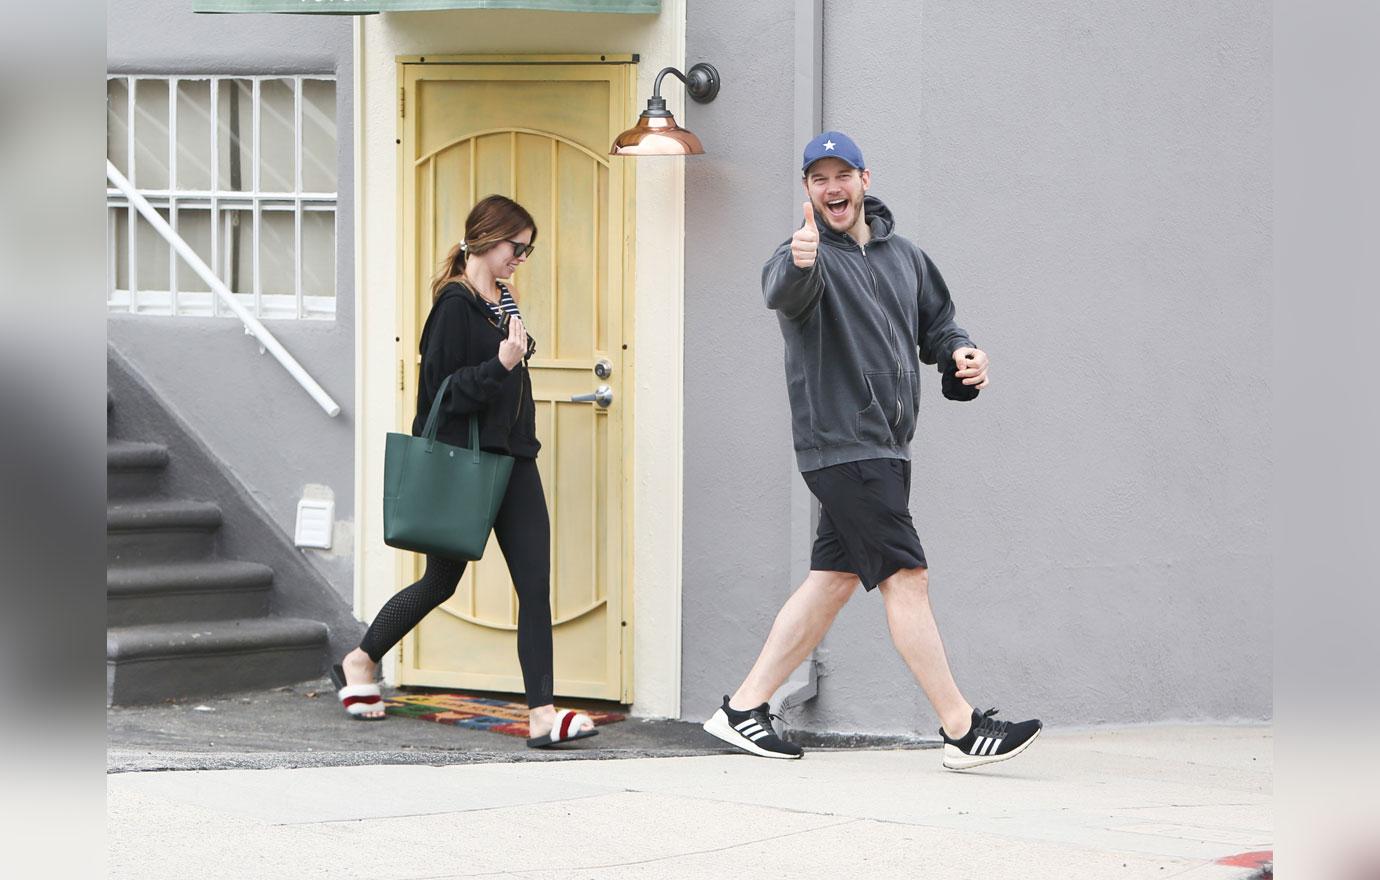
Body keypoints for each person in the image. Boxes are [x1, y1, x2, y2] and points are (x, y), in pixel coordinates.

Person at [701, 132, 1041, 769]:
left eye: (842, 175)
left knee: (833, 580)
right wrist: (800, 260)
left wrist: (961, 353)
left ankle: (744, 709)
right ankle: (961, 727)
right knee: (908, 577)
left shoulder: (904, 257)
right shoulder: (804, 257)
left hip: (887, 444)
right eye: (818, 179)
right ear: (806, 190)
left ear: (864, 178)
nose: (832, 189)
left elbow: (938, 326)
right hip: (843, 444)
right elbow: (782, 288)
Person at [332, 194, 596, 748]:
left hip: (515, 459)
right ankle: (361, 660)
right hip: (466, 464)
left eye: (528, 251)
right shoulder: (453, 306)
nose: (521, 258)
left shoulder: (501, 297)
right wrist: (499, 364)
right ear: (484, 239)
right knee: (439, 582)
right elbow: (439, 398)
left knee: (534, 585)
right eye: (515, 247)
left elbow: (507, 364)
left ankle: (542, 714)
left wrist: (511, 344)